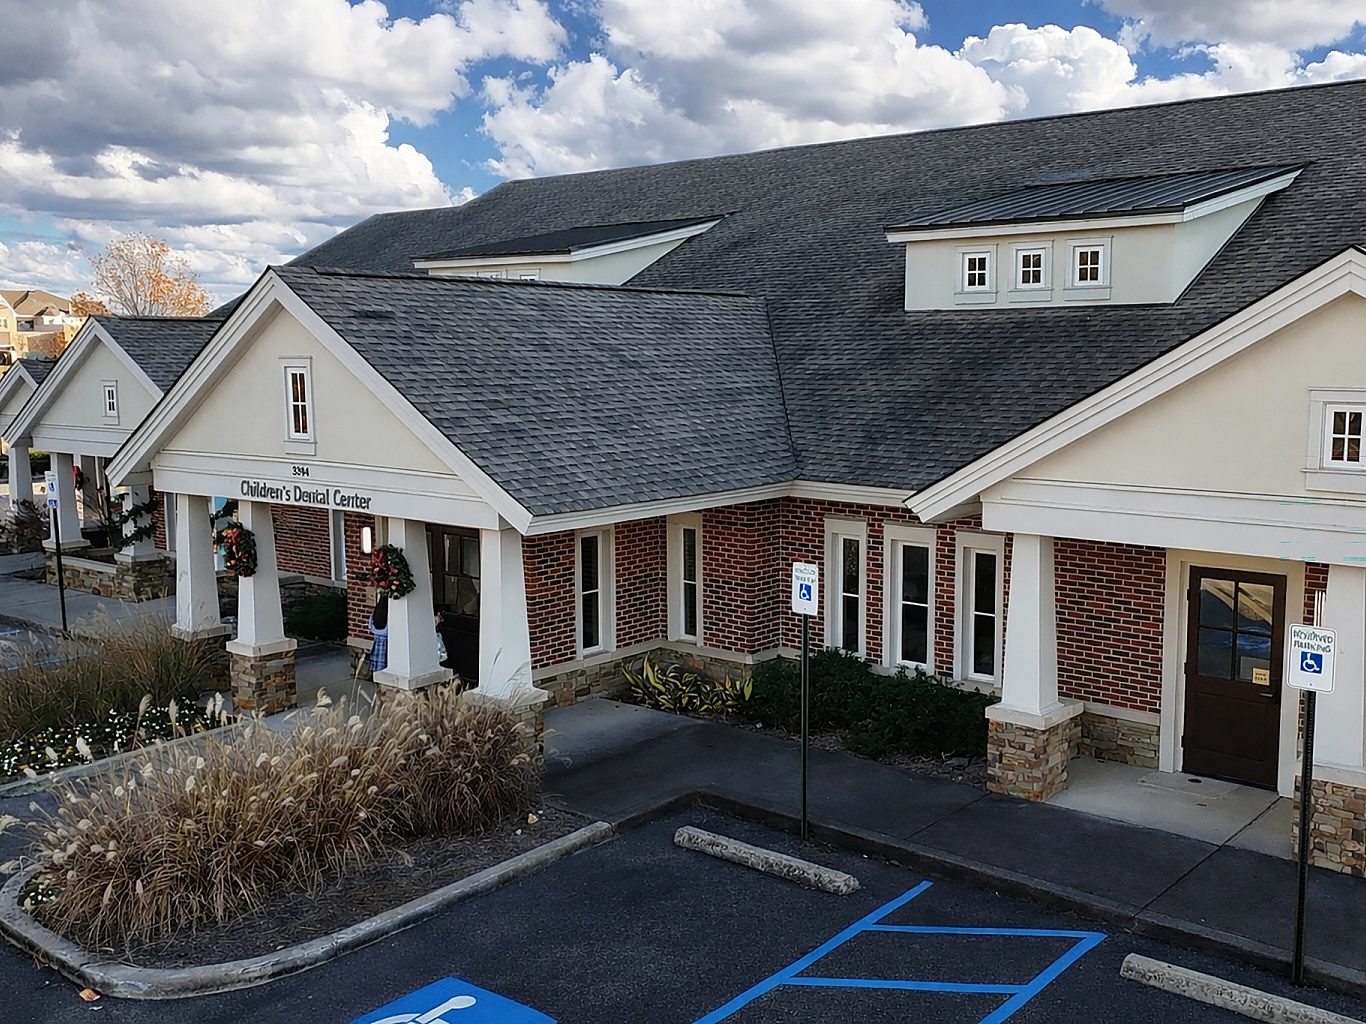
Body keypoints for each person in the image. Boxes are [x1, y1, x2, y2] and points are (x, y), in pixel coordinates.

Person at [368, 595, 389, 675]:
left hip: (377, 641)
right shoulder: (388, 613)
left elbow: (370, 625)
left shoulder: (376, 611)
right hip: (386, 642)